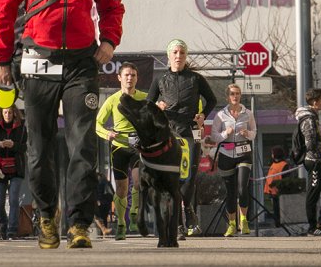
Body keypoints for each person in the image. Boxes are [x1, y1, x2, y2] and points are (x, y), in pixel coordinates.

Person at [0, 0, 125, 249]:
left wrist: (109, 41)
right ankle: (47, 218)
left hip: (82, 63)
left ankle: (79, 224)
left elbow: (113, 7)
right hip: (38, 61)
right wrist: (1, 58)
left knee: (83, 145)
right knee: (40, 147)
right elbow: (4, 6)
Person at [147, 38, 217, 238]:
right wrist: (157, 107)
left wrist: (203, 115)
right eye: (175, 53)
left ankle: (188, 209)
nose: (178, 56)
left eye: (182, 53)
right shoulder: (160, 80)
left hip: (191, 131)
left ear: (186, 56)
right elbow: (148, 105)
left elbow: (212, 100)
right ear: (168, 56)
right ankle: (177, 224)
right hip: (169, 133)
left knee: (189, 177)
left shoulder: (196, 79)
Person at [95, 61, 148, 240]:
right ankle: (120, 224)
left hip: (138, 146)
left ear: (137, 78)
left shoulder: (144, 97)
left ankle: (134, 213)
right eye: (126, 75)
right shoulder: (112, 100)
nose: (129, 78)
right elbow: (97, 124)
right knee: (121, 189)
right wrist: (107, 133)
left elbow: (157, 113)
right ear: (119, 78)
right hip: (119, 147)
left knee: (138, 181)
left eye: (133, 75)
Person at [209, 83, 257, 236]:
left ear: (240, 95)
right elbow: (214, 136)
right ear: (227, 97)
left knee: (242, 188)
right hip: (226, 153)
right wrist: (225, 133)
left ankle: (244, 221)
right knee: (230, 191)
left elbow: (254, 132)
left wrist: (247, 133)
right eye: (232, 94)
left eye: (237, 93)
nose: (235, 96)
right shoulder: (220, 115)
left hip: (244, 152)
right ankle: (231, 224)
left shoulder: (247, 113)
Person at [296, 87, 321, 236]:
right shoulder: (309, 119)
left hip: (318, 159)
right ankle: (313, 228)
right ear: (314, 102)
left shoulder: (313, 117)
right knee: (313, 194)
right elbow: (310, 144)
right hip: (313, 160)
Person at [0, 105, 27, 240]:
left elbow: (25, 147)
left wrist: (13, 145)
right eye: (5, 112)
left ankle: (12, 229)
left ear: (14, 113)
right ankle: (3, 223)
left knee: (14, 199)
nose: (8, 115)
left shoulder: (21, 129)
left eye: (10, 112)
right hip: (0, 170)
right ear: (1, 114)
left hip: (16, 168)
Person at [263, 146, 289, 228]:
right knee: (275, 209)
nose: (271, 155)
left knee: (279, 209)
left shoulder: (284, 165)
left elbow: (285, 178)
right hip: (272, 191)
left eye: (272, 153)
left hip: (278, 191)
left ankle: (279, 223)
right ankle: (277, 223)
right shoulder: (273, 164)